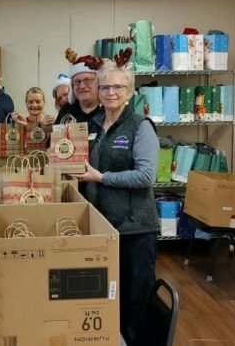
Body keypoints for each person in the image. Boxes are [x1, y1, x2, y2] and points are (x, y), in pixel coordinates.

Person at [73, 60, 159, 346]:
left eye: (118, 87)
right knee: (114, 293)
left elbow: (146, 176)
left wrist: (101, 177)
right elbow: (90, 169)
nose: (111, 92)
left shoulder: (140, 126)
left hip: (135, 228)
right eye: (106, 86)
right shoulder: (98, 124)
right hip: (107, 227)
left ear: (130, 91)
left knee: (136, 297)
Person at [55, 50, 103, 138]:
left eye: (87, 80)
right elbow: (54, 143)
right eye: (77, 82)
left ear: (98, 83)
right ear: (72, 86)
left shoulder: (107, 110)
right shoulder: (66, 111)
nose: (82, 86)